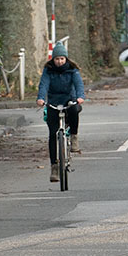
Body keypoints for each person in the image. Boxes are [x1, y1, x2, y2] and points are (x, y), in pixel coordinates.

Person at [37, 42, 86, 181]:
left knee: (74, 110)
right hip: (53, 101)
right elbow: (44, 85)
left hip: (68, 100)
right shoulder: (48, 70)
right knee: (53, 134)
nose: (59, 62)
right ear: (53, 59)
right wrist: (41, 98)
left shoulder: (72, 70)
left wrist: (80, 96)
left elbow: (78, 84)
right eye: (57, 59)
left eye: (62, 59)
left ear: (66, 59)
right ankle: (54, 167)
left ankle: (74, 137)